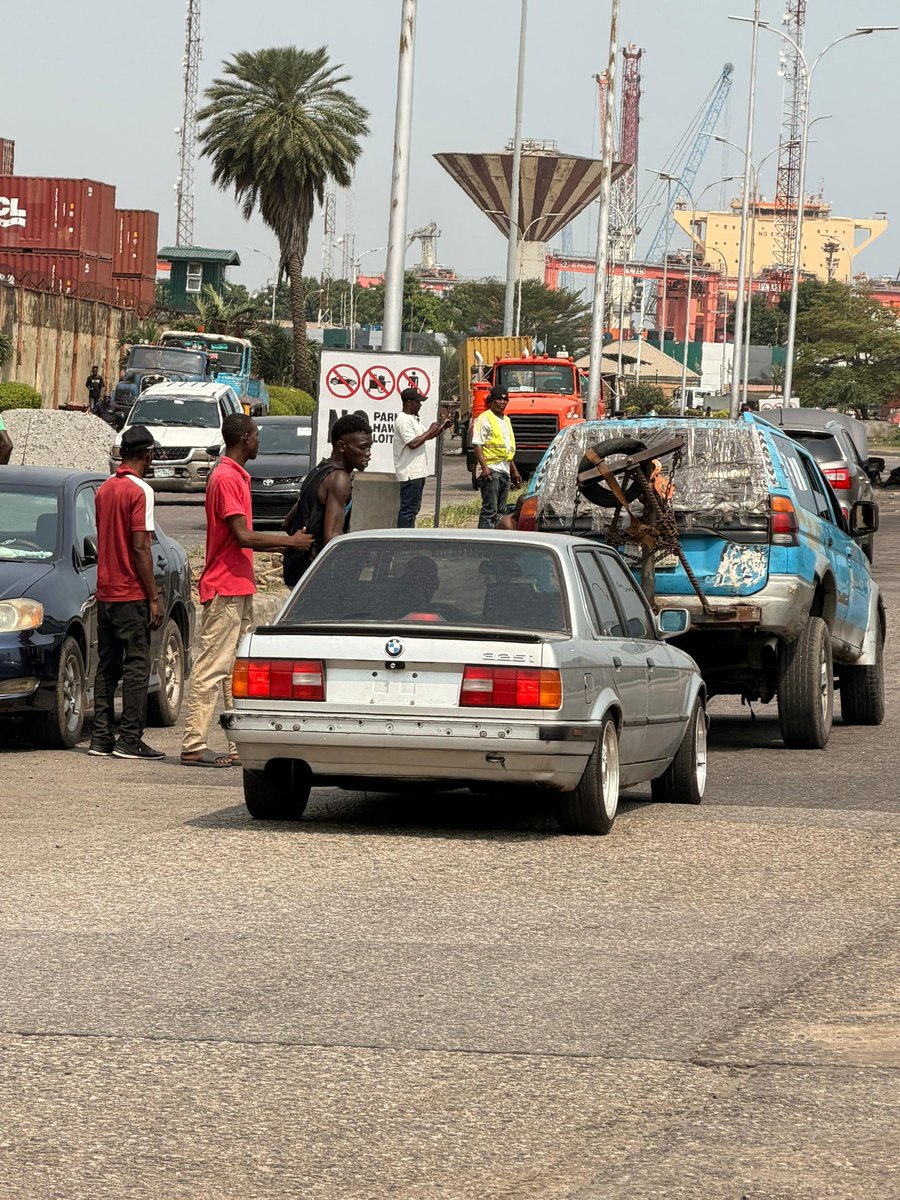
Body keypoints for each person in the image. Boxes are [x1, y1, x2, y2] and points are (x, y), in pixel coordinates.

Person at [180, 414, 314, 768]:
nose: (259, 441)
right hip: (224, 585)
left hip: (237, 583)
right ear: (244, 439)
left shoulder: (235, 474)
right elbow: (242, 535)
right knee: (212, 668)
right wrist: (289, 542)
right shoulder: (225, 477)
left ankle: (239, 743)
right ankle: (194, 742)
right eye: (256, 436)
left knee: (234, 671)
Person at [89, 424, 164, 760]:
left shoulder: (104, 489)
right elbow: (140, 548)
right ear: (146, 455)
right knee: (136, 666)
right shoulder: (140, 491)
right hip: (130, 592)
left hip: (104, 592)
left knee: (107, 667)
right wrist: (153, 596)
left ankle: (100, 738)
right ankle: (129, 740)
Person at [282, 413, 373, 588]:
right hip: (317, 576)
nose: (368, 454)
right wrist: (363, 549)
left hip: (297, 571)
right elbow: (332, 537)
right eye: (362, 448)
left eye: (370, 447)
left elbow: (288, 524)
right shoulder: (340, 478)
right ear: (342, 446)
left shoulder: (319, 470)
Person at [392, 387, 450, 528]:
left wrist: (442, 428)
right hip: (410, 472)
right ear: (409, 403)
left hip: (417, 471)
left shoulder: (412, 419)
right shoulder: (403, 420)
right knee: (408, 510)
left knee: (413, 509)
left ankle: (409, 535)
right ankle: (404, 539)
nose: (421, 405)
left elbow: (425, 436)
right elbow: (413, 443)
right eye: (418, 402)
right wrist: (430, 431)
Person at [471, 386, 521, 529]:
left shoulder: (506, 420)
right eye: (499, 399)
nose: (502, 402)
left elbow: (506, 450)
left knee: (501, 512)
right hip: (491, 471)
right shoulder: (484, 418)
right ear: (491, 401)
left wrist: (514, 470)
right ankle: (484, 541)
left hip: (504, 470)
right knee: (489, 511)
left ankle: (496, 540)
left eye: (505, 399)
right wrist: (485, 468)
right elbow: (477, 444)